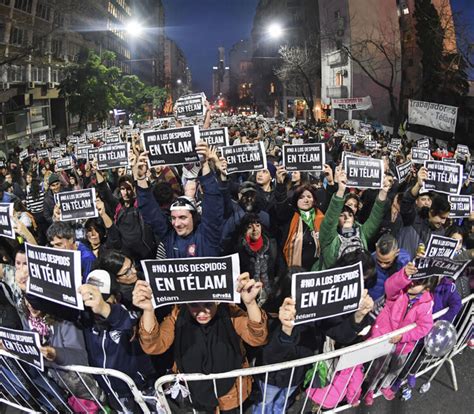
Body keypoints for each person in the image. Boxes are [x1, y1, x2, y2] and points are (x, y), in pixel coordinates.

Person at [134, 273, 268, 413]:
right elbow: (153, 346)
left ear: (217, 301)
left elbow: (257, 338)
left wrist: (251, 303)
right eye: (194, 305)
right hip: (192, 394)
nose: (201, 312)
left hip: (231, 392)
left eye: (208, 305)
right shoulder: (177, 315)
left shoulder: (230, 313)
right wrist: (148, 310)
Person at [135, 142, 225, 258]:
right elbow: (150, 212)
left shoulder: (208, 236)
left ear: (194, 216)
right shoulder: (169, 238)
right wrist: (141, 178)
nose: (177, 224)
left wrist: (204, 163)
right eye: (173, 218)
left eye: (182, 217)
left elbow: (213, 202)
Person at [363, 263, 437, 405]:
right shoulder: (400, 291)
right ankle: (370, 389)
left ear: (426, 288)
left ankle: (386, 385)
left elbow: (424, 327)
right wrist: (404, 274)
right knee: (378, 368)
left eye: (416, 284)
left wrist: (404, 336)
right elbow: (389, 286)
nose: (411, 285)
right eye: (412, 280)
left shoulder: (426, 304)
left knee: (395, 369)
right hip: (386, 340)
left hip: (404, 346)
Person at [317, 166, 392, 270]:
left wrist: (383, 192)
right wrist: (341, 189)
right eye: (342, 215)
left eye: (350, 215)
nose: (347, 217)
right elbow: (330, 218)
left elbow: (375, 216)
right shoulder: (328, 237)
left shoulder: (361, 232)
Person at [398, 167, 451, 258]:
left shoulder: (441, 231)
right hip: (403, 268)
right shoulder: (413, 218)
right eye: (441, 218)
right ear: (432, 211)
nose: (443, 222)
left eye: (445, 218)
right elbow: (406, 201)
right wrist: (418, 185)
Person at [370, 233, 411, 301]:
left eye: (387, 262)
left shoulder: (404, 263)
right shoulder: (369, 262)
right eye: (379, 261)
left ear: (397, 252)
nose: (382, 265)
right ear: (376, 246)